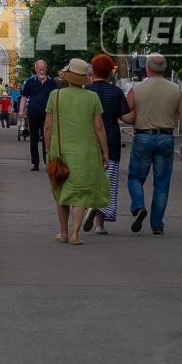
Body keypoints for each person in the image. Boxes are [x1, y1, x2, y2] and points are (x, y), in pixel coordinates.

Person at [120, 52, 182, 236]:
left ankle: (138, 206)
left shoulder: (137, 89)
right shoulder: (176, 90)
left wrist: (133, 118)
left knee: (135, 177)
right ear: (164, 68)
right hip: (166, 137)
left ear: (147, 68)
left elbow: (126, 114)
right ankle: (157, 225)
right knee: (162, 184)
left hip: (142, 137)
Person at [45, 58, 110, 245]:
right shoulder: (92, 98)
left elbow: (48, 127)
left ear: (68, 77)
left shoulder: (55, 96)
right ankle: (75, 234)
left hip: (60, 152)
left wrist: (49, 149)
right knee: (79, 194)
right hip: (86, 154)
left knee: (62, 192)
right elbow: (99, 128)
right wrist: (105, 151)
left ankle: (63, 233)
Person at [83, 54, 129, 234]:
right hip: (111, 140)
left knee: (89, 178)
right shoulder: (116, 92)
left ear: (92, 71)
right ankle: (100, 224)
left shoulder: (86, 90)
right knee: (108, 181)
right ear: (110, 72)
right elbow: (126, 117)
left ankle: (88, 208)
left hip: (88, 139)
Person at [21, 59, 53, 170]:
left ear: (46, 69)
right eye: (39, 69)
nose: (41, 71)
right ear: (36, 69)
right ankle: (35, 163)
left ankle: (47, 161)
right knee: (33, 139)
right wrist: (21, 111)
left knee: (47, 138)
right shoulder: (30, 82)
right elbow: (24, 97)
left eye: (43, 69)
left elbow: (56, 98)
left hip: (47, 114)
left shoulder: (52, 82)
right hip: (33, 113)